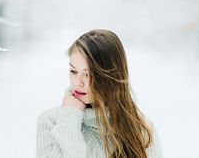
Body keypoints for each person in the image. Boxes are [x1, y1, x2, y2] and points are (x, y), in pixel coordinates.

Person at [36, 29, 163, 158]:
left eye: (88, 74)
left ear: (110, 77)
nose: (78, 82)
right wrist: (69, 122)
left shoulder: (141, 131)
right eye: (73, 71)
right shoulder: (51, 122)